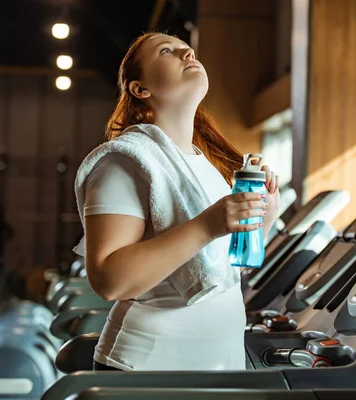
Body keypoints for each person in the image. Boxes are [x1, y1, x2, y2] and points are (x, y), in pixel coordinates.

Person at [76, 32, 280, 371]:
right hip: (146, 370)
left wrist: (263, 216)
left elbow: (220, 268)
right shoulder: (125, 159)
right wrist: (208, 225)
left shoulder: (206, 165)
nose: (186, 51)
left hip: (213, 367)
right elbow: (109, 280)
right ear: (141, 89)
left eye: (187, 48)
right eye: (167, 51)